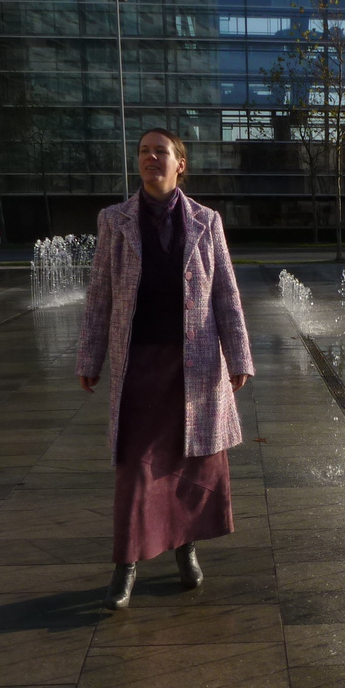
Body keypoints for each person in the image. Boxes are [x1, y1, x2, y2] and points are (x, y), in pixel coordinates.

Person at [77, 127, 255, 609]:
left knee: (190, 463)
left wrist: (238, 356)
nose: (151, 158)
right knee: (135, 468)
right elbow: (99, 296)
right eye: (143, 151)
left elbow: (226, 294)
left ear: (181, 164)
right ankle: (126, 565)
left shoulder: (205, 221)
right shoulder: (114, 221)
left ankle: (186, 548)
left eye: (162, 152)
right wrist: (89, 358)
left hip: (194, 366)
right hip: (139, 365)